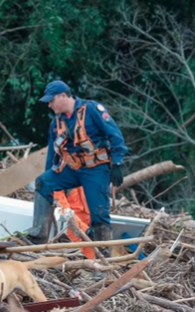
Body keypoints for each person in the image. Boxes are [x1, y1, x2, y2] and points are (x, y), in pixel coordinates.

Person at [24, 80, 127, 256]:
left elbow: (115, 136)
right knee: (43, 182)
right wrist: (50, 174)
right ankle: (38, 236)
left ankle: (103, 259)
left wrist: (117, 163)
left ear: (64, 96)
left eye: (51, 100)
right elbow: (52, 154)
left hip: (95, 169)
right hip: (72, 169)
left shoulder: (92, 110)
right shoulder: (56, 123)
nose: (49, 105)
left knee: (99, 214)